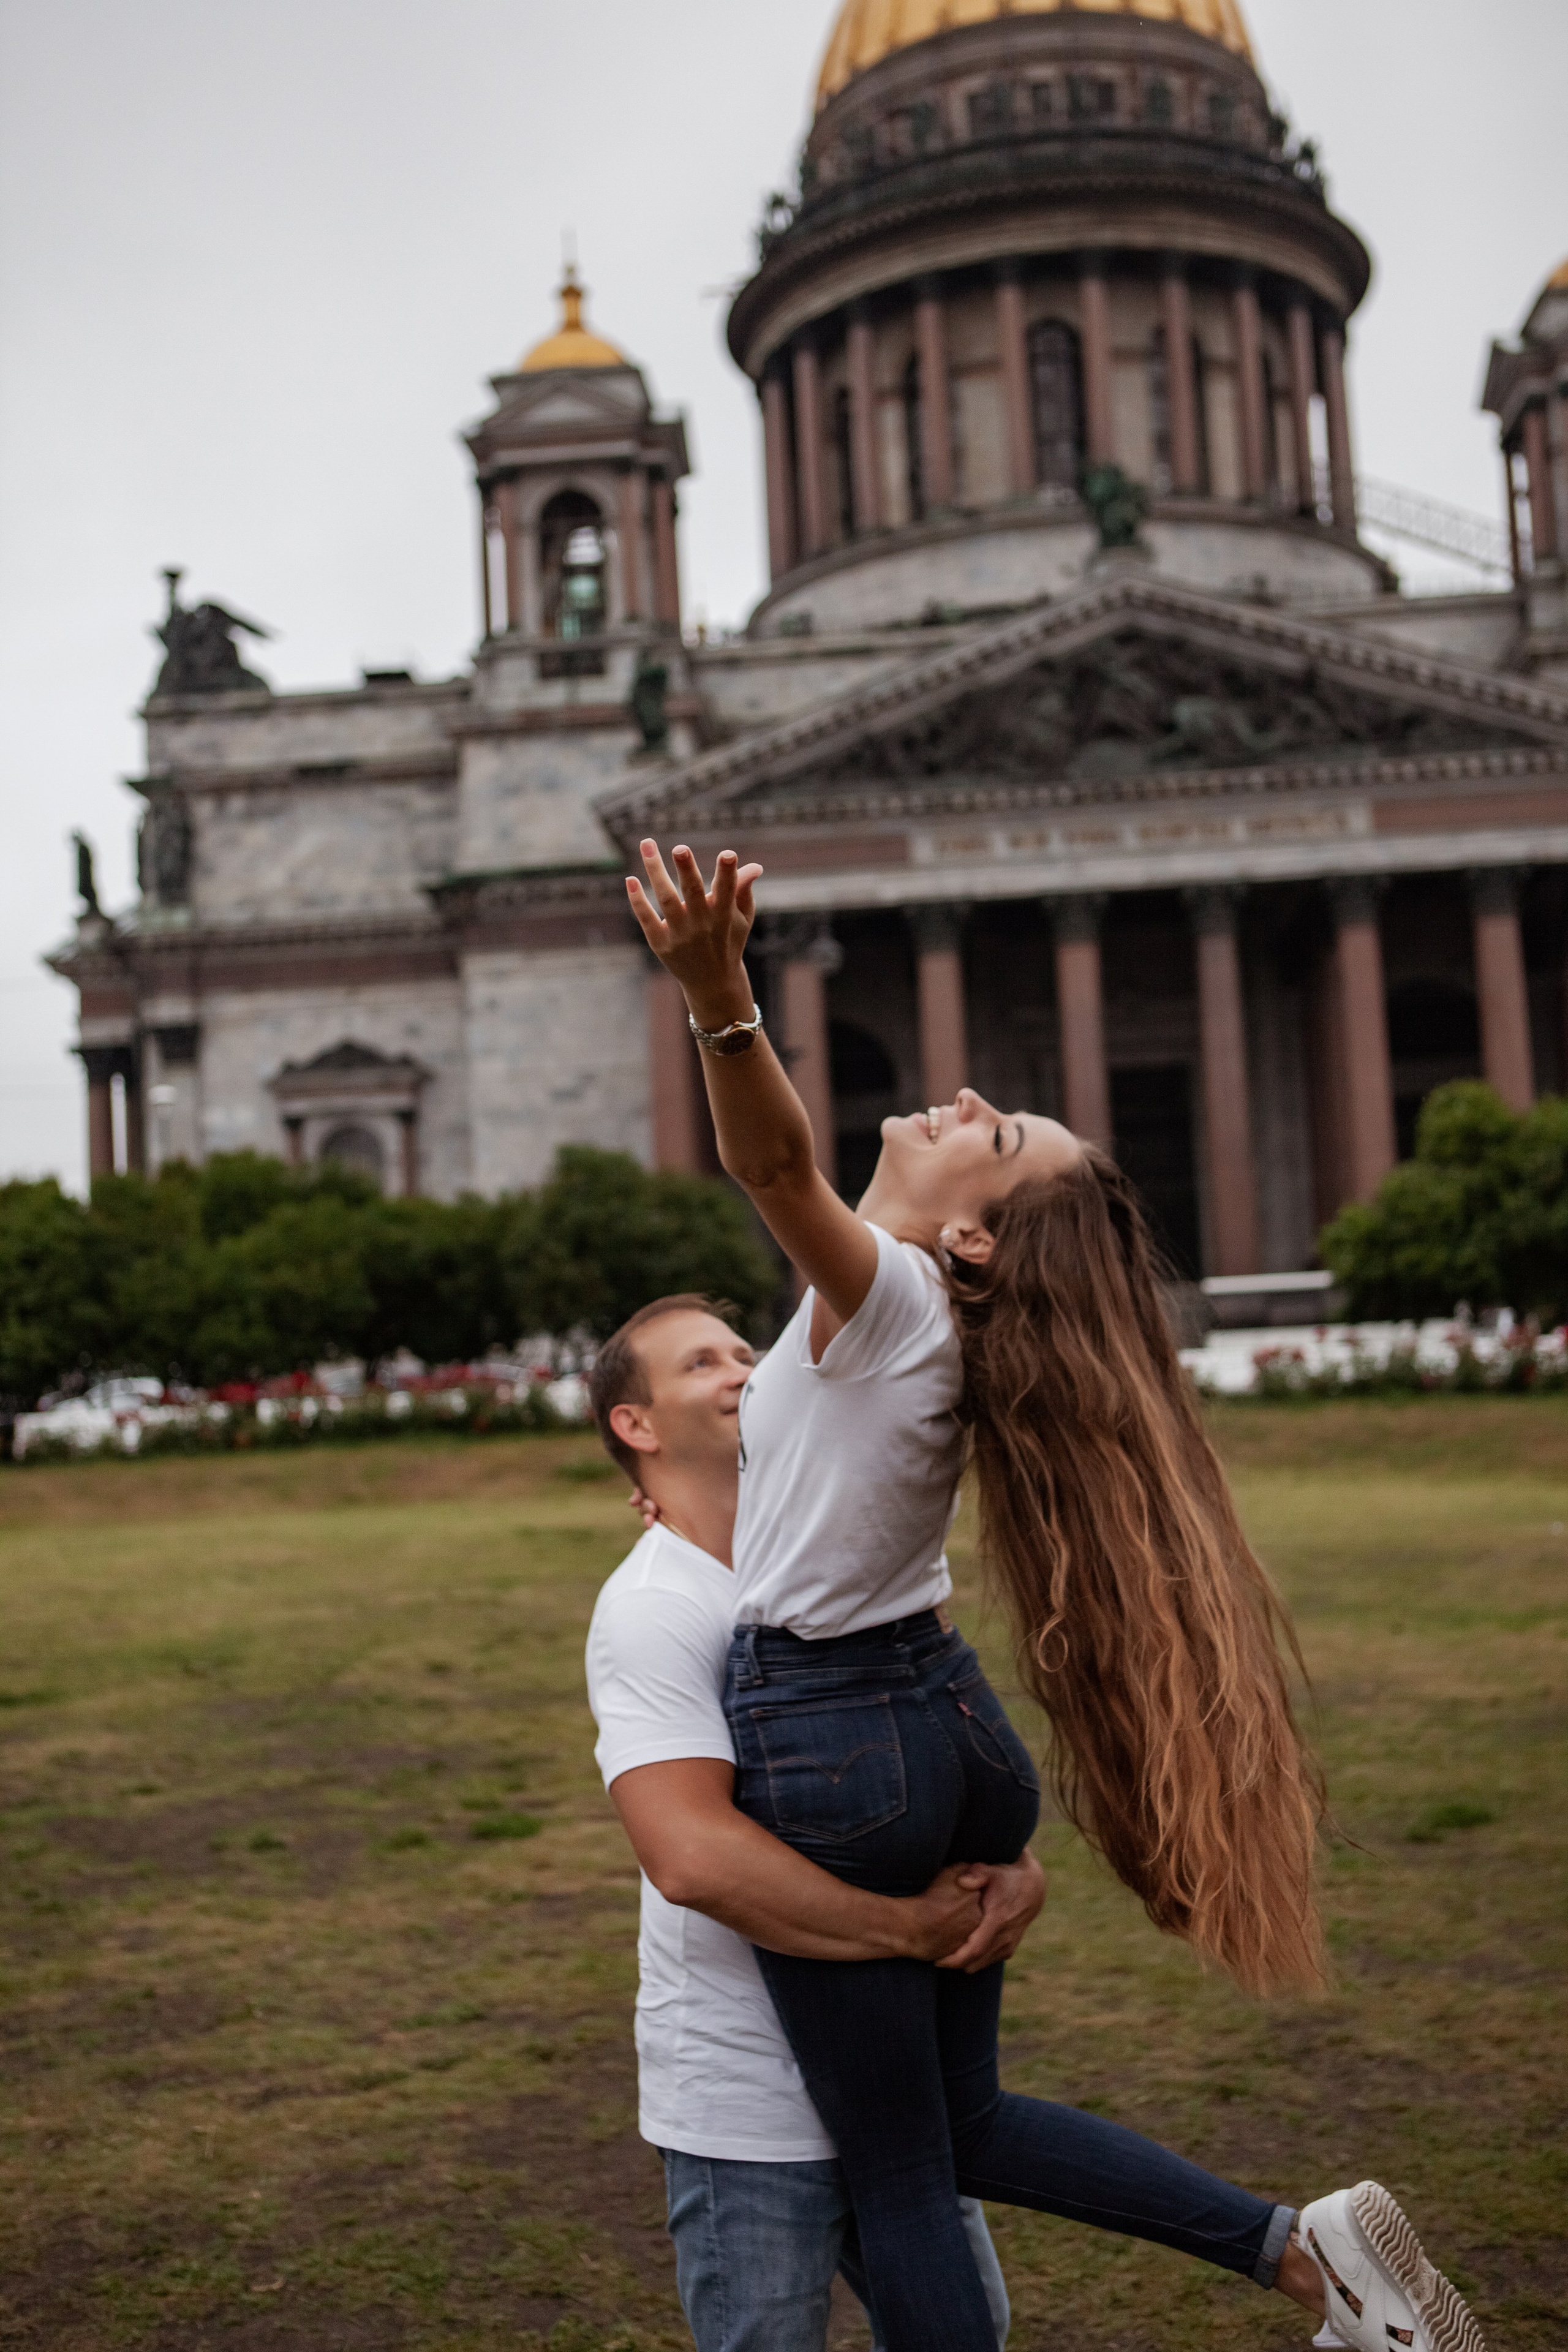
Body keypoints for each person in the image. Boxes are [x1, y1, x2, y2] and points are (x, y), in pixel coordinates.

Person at [622, 837, 1486, 2352]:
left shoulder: (891, 1299)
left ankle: (1305, 2253)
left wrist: (717, 1001)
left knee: (897, 2179)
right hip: (936, 1718)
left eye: (996, 1127)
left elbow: (769, 1166)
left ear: (970, 1237)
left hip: (836, 1728)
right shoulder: (936, 1340)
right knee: (958, 2132)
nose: (961, 1099)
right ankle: (1304, 2252)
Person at [583, 1291, 1038, 2352]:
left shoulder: (832, 1567)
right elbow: (692, 1857)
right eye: (702, 1363)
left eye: (748, 1352)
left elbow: (922, 1747)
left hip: (889, 2068)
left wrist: (1008, 1868)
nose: (744, 1370)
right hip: (748, 2101)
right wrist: (908, 1930)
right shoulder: (654, 1608)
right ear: (635, 1427)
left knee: (967, 2328)